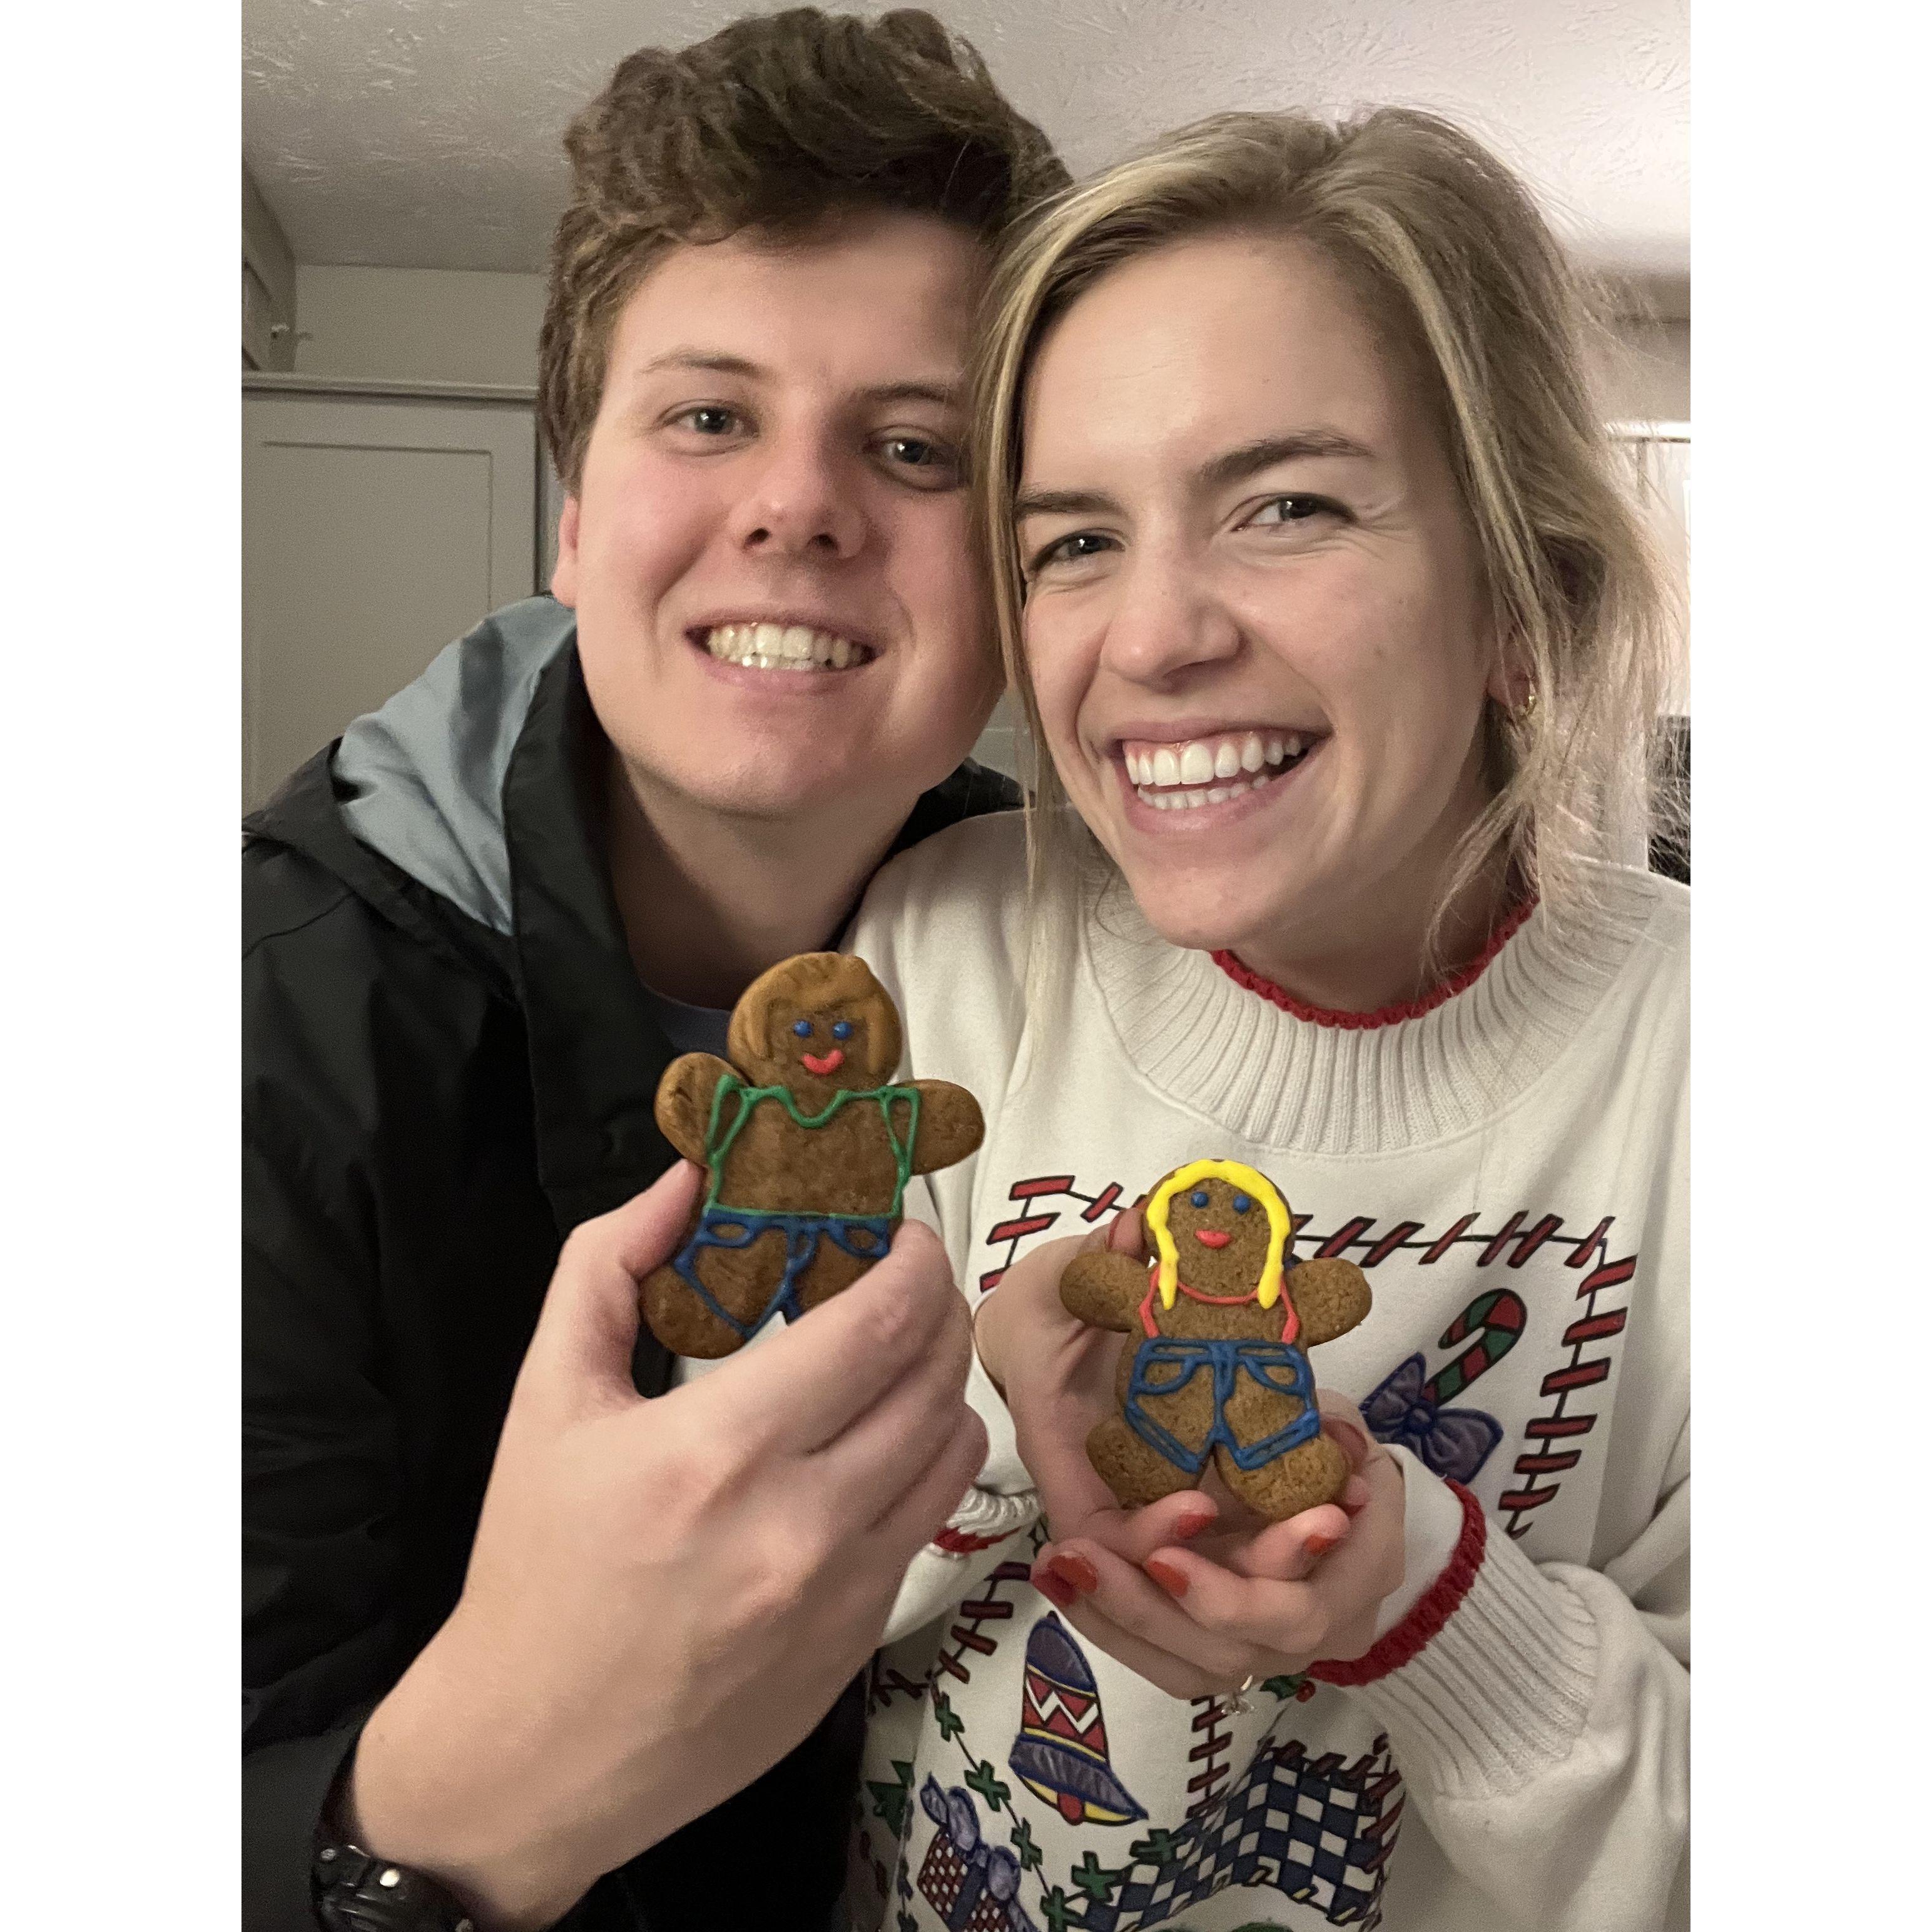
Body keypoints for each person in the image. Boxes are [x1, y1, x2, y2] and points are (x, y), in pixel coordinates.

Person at [242, 12, 1065, 1931]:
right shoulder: (248, 1041)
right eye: (709, 416)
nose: (799, 505)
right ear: (581, 514)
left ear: (1019, 576)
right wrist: (457, 1807)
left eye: (918, 445)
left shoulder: (1085, 984)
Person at [843, 108, 1688, 1931]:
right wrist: (983, 1408)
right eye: (1073, 540)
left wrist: (1419, 1591)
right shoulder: (943, 953)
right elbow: (724, 1625)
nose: (1148, 637)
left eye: (1287, 505)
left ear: (1521, 597)